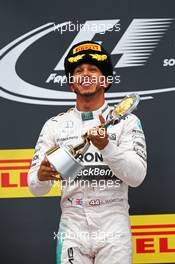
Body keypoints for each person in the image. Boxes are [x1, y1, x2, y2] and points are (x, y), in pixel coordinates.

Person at [28, 41, 147, 264]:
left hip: (114, 222)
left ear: (106, 80)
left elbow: (137, 176)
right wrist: (42, 176)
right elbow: (35, 187)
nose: (85, 74)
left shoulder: (127, 121)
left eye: (93, 69)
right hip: (72, 224)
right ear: (71, 84)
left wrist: (106, 146)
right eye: (78, 71)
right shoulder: (54, 125)